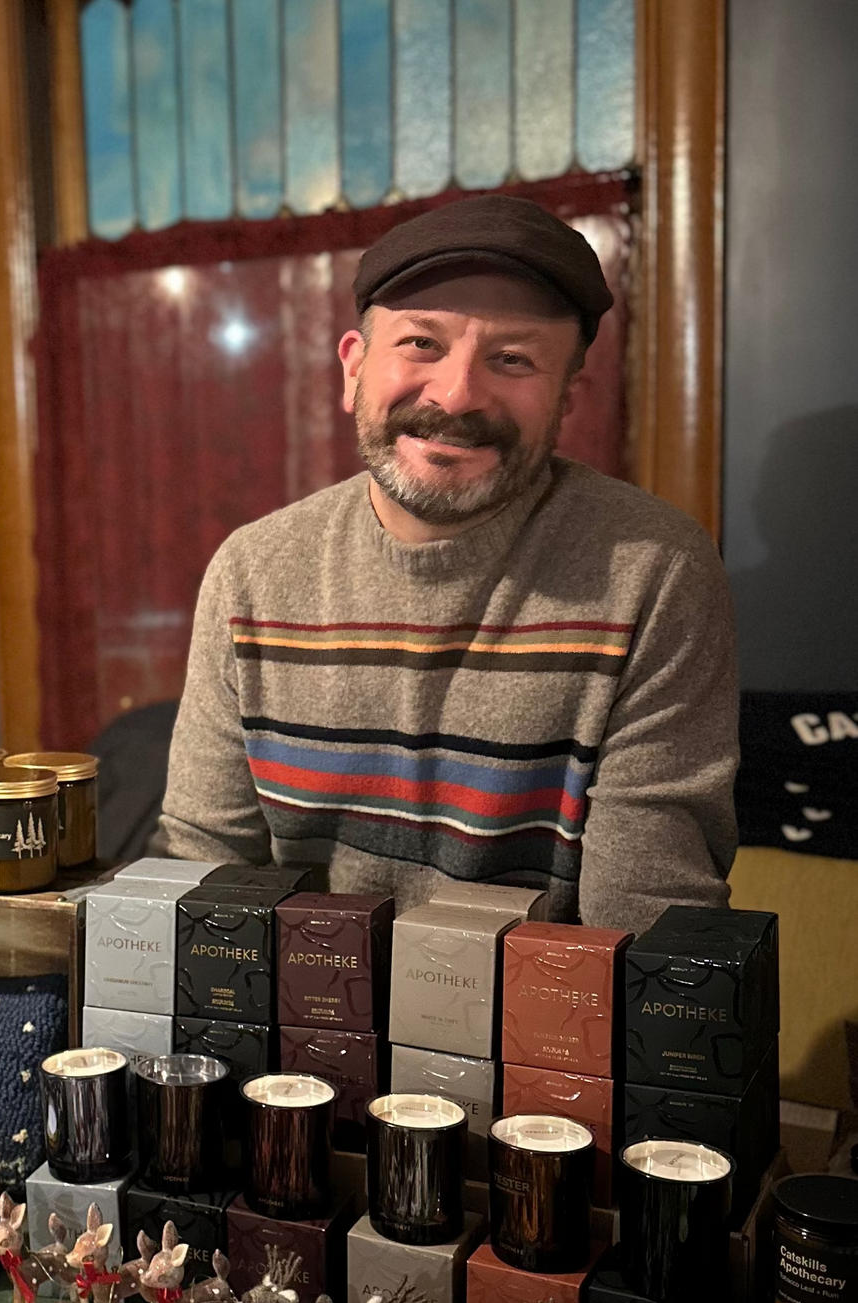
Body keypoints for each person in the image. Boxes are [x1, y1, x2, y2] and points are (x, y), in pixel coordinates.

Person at [159, 195, 737, 931]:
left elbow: (644, 925)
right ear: (353, 368)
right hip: (295, 1003)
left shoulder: (653, 573)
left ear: (566, 398)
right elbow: (201, 876)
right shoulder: (252, 572)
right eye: (421, 343)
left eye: (513, 359)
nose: (458, 395)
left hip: (547, 1007)